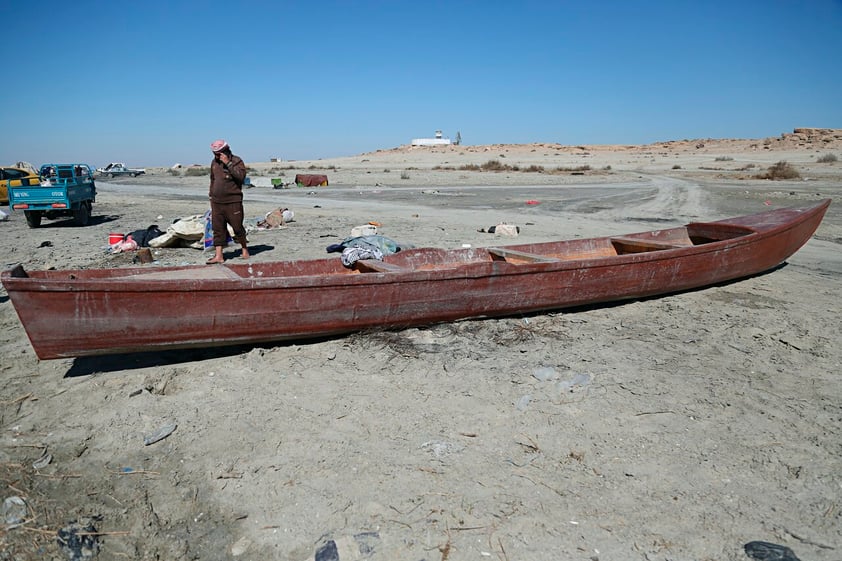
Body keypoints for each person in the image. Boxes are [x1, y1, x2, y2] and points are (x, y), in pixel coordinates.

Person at [207, 139, 249, 264]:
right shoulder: (214, 163)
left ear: (226, 150)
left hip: (233, 201)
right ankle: (219, 255)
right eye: (215, 153)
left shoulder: (236, 161)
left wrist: (228, 163)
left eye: (219, 153)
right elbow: (213, 180)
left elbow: (241, 177)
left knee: (237, 227)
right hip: (216, 201)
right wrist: (211, 195)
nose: (217, 155)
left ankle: (244, 249)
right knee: (218, 228)